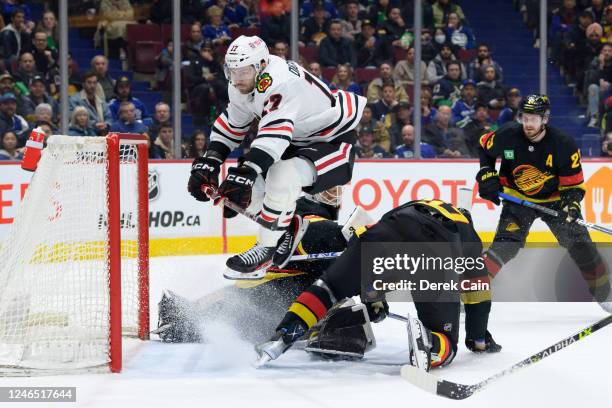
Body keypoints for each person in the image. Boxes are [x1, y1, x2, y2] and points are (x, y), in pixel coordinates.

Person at [187, 35, 366, 277]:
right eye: (232, 71)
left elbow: (274, 136)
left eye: (243, 72)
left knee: (280, 177)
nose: (237, 79)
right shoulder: (244, 81)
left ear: (261, 65)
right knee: (250, 189)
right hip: (297, 139)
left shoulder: (280, 81)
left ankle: (266, 249)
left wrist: (246, 173)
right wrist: (211, 160)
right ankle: (287, 228)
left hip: (333, 141)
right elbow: (233, 124)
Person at [255, 198, 499, 369]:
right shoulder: (469, 235)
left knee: (328, 288)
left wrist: (372, 297)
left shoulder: (416, 204)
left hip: (383, 231)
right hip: (435, 248)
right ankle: (431, 345)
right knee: (447, 342)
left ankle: (286, 330)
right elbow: (477, 295)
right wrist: (478, 339)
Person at [476, 94, 612, 313]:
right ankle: (471, 291)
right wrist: (486, 173)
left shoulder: (563, 144)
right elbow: (484, 147)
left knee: (582, 246)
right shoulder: (508, 134)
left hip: (555, 202)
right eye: (525, 117)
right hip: (517, 199)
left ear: (545, 119)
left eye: (534, 119)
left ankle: (605, 294)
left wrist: (572, 206)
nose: (528, 124)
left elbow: (574, 186)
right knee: (505, 246)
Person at [153, 194, 348, 344]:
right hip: (265, 294)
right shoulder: (313, 222)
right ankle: (185, 319)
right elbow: (329, 235)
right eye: (329, 192)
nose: (335, 198)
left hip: (261, 288)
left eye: (336, 192)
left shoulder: (299, 215)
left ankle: (188, 314)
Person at [68, 70, 112, 136]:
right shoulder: (74, 99)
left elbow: (108, 117)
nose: (92, 85)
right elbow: (73, 118)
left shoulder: (101, 100)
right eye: (89, 82)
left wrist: (106, 124)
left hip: (102, 133)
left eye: (94, 83)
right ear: (83, 84)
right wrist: (94, 124)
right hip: (83, 134)